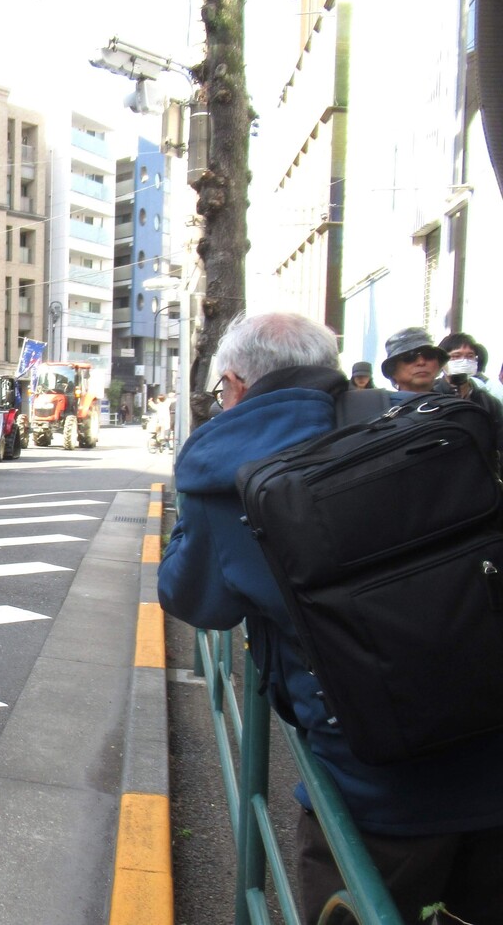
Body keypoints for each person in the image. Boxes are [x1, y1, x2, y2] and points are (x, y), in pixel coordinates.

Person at [158, 312, 503, 925]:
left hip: (380, 781)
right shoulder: (426, 421)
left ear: (235, 385)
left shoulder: (225, 472)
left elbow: (196, 602)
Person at [435, 332, 503, 451]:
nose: (464, 361)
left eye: (470, 356)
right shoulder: (431, 396)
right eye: (456, 356)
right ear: (442, 361)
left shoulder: (489, 402)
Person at [379, 326, 446, 393]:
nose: (421, 362)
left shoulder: (452, 402)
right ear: (393, 370)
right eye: (409, 357)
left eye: (429, 354)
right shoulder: (378, 402)